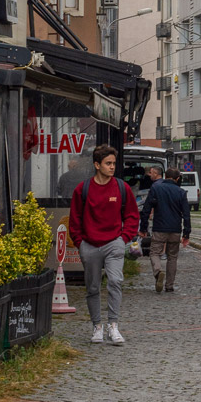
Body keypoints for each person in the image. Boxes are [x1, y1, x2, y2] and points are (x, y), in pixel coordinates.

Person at [68, 144, 139, 344]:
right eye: (108, 163)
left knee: (115, 281)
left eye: (114, 163)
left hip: (114, 243)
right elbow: (75, 218)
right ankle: (97, 326)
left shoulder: (121, 188)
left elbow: (132, 215)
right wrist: (80, 242)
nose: (112, 167)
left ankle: (113, 326)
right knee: (92, 287)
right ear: (97, 165)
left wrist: (123, 239)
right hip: (89, 245)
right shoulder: (83, 189)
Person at [140, 165, 191, 293]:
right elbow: (186, 215)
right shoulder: (181, 192)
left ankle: (158, 272)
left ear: (165, 176)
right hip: (175, 229)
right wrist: (186, 234)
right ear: (177, 178)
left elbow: (146, 209)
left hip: (159, 228)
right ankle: (169, 285)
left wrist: (143, 228)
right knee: (172, 257)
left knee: (154, 253)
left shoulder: (156, 188)